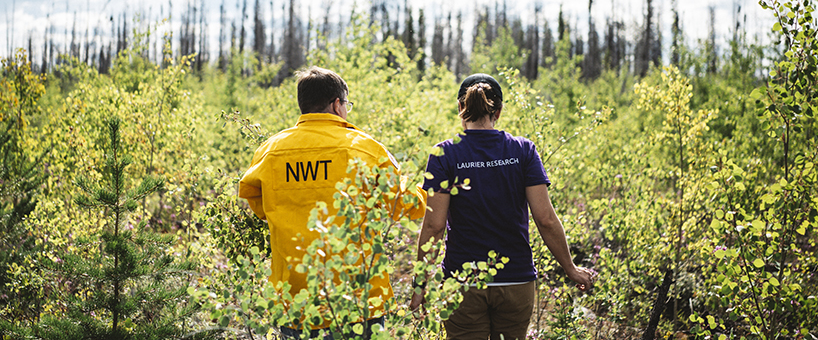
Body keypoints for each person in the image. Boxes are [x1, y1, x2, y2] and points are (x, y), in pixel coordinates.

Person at [238, 66, 426, 339]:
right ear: (337, 104)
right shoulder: (364, 148)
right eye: (346, 104)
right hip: (357, 299)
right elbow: (409, 206)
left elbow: (255, 200)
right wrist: (431, 189)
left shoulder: (271, 151)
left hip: (294, 298)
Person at [410, 73, 596, 340]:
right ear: (498, 110)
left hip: (463, 283)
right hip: (516, 280)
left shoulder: (444, 154)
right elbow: (545, 219)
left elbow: (434, 225)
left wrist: (420, 285)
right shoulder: (523, 150)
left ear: (460, 109)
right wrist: (570, 268)